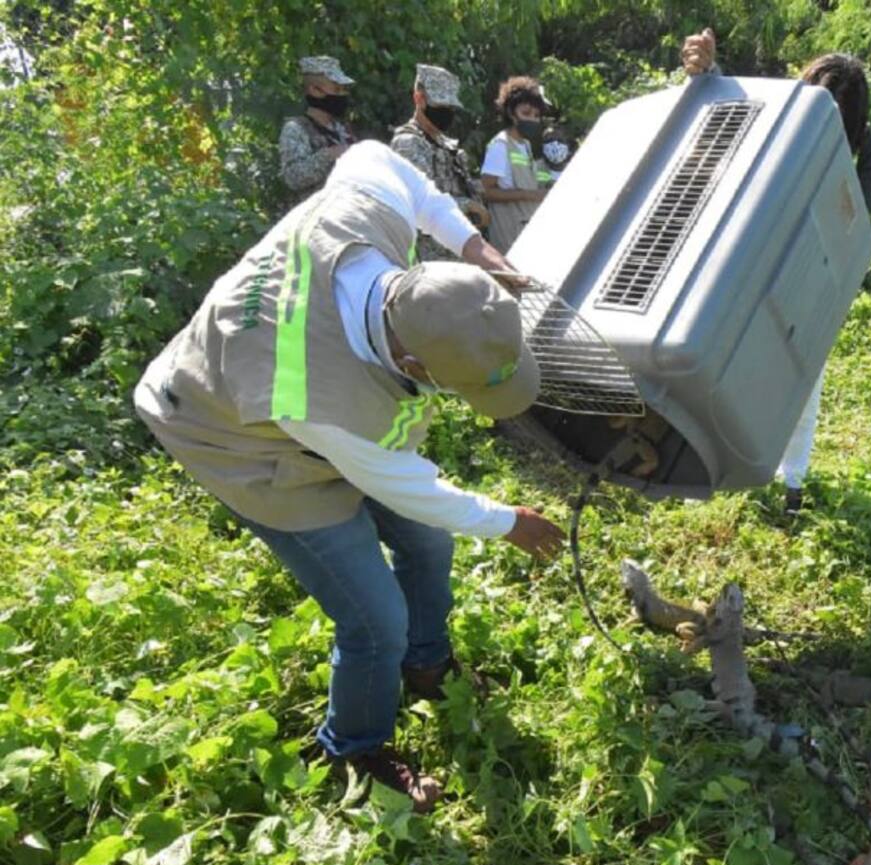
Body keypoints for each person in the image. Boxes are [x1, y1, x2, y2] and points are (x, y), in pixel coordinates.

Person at [134, 140, 566, 812]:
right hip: (226, 428)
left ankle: (427, 664)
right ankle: (356, 752)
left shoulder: (368, 215)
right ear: (415, 366)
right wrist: (509, 522)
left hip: (289, 397)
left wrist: (475, 247)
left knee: (427, 543)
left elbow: (380, 158)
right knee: (374, 619)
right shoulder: (319, 399)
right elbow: (405, 485)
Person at [682, 31, 871, 514]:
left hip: (810, 269)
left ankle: (790, 484)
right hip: (756, 258)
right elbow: (729, 119)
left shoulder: (861, 145)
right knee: (735, 366)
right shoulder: (782, 114)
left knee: (799, 380)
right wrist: (706, 76)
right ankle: (718, 469)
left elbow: (857, 222)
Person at [390, 63, 490, 261]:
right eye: (440, 106)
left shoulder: (446, 144)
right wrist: (468, 206)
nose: (446, 113)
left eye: (450, 107)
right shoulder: (408, 143)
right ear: (419, 99)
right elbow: (418, 202)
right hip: (431, 257)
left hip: (459, 250)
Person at [480, 76, 550, 253]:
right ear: (511, 113)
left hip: (527, 230)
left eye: (536, 116)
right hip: (508, 235)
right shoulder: (500, 145)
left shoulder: (525, 145)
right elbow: (486, 192)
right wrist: (530, 195)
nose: (532, 119)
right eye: (526, 113)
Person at [279, 56, 357, 199]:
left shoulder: (342, 129)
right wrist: (329, 155)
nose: (342, 95)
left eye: (343, 89)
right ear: (315, 90)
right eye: (336, 89)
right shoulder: (296, 129)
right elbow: (293, 178)